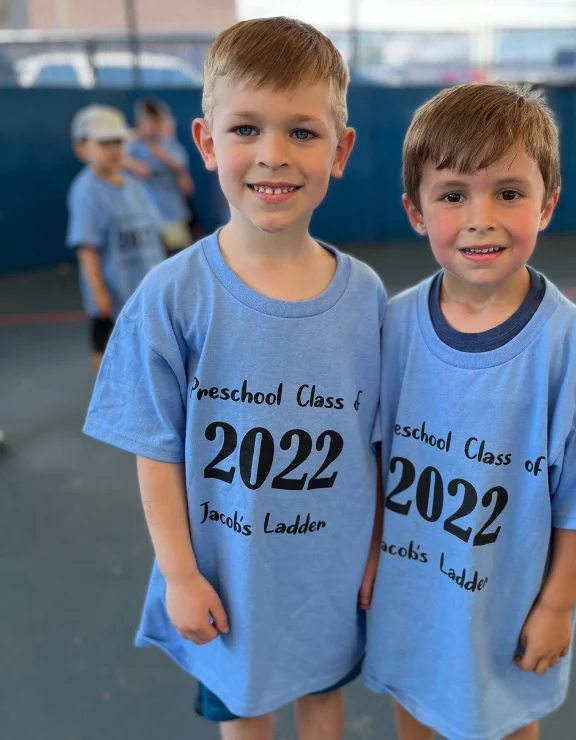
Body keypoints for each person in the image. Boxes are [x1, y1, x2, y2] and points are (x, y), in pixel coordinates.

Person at [82, 17, 385, 740]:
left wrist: (375, 552)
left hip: (327, 576)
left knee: (322, 697)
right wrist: (180, 574)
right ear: (207, 141)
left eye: (302, 133)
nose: (272, 155)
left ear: (340, 150)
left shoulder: (368, 296)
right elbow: (155, 450)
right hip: (227, 579)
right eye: (246, 128)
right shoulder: (172, 294)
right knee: (242, 709)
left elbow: (375, 443)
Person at [364, 82, 576, 740]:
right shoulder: (393, 327)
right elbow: (373, 456)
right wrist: (371, 554)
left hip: (503, 608)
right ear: (416, 212)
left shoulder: (569, 346)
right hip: (409, 597)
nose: (481, 217)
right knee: (415, 709)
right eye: (453, 195)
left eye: (508, 193)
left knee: (505, 722)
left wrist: (558, 604)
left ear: (548, 205)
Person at [67, 104, 165, 375]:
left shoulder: (135, 186)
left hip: (143, 289)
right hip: (114, 293)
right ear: (82, 149)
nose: (114, 149)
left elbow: (155, 237)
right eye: (104, 143)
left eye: (118, 142)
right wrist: (98, 291)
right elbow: (87, 248)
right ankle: (110, 401)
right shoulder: (86, 191)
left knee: (145, 351)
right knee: (108, 349)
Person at [125, 97, 196, 256]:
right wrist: (133, 164)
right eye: (147, 121)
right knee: (153, 254)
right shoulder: (132, 146)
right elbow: (120, 161)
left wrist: (159, 153)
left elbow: (179, 164)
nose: (151, 126)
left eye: (154, 121)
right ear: (139, 122)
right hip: (145, 213)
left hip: (172, 210)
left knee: (184, 251)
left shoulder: (168, 144)